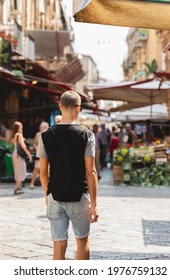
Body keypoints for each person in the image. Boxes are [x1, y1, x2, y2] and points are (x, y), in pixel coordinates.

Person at [37, 90, 99, 260]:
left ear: (60, 107)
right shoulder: (87, 135)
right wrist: (94, 203)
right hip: (79, 195)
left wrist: (46, 195)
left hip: (55, 195)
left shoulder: (45, 136)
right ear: (78, 108)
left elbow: (43, 173)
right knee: (82, 241)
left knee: (58, 243)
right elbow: (90, 171)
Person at [11, 121, 32, 195]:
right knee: (21, 170)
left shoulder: (14, 135)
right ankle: (17, 188)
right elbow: (23, 146)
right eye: (21, 127)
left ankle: (18, 187)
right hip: (18, 155)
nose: (22, 128)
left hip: (15, 153)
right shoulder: (19, 135)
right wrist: (29, 154)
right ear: (18, 128)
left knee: (18, 170)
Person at [30, 122, 49, 189]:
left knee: (47, 169)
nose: (40, 128)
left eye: (42, 127)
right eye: (40, 127)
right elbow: (34, 143)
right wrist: (37, 149)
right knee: (36, 168)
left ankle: (46, 184)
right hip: (40, 154)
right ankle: (32, 183)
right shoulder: (38, 134)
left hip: (47, 154)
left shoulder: (48, 134)